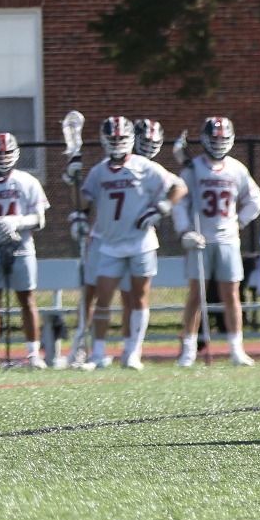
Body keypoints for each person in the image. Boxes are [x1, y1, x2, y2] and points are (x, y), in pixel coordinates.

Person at [77, 116, 184, 370]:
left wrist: (161, 209)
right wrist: (73, 178)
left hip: (140, 244)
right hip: (110, 244)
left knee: (138, 299)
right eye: (112, 139)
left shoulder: (144, 166)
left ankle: (132, 352)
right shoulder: (99, 171)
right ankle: (98, 353)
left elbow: (179, 187)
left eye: (121, 138)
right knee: (103, 299)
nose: (116, 143)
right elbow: (82, 202)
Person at [175, 115, 260, 367]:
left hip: (227, 240)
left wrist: (239, 222)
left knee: (232, 294)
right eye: (214, 139)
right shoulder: (193, 169)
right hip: (200, 239)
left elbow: (256, 200)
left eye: (223, 139)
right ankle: (189, 349)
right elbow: (180, 202)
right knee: (196, 295)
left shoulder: (236, 168)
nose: (219, 144)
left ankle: (236, 348)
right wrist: (185, 231)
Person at [0, 133, 49, 369]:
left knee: (27, 300)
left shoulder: (28, 181)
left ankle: (33, 354)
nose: (3, 157)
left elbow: (40, 219)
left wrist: (17, 222)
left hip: (22, 247)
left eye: (7, 153)